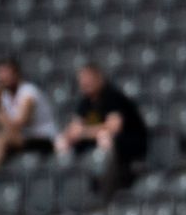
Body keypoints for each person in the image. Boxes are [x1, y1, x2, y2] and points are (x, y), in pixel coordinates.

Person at [0, 57, 58, 198]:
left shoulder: (28, 93)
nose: (2, 78)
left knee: (2, 139)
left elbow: (18, 125)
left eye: (5, 73)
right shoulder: (2, 96)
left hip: (40, 138)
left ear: (16, 73)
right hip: (17, 138)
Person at [55, 63, 149, 202]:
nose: (84, 83)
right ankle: (69, 190)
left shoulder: (113, 96)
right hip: (95, 146)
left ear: (99, 78)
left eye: (88, 79)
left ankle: (104, 192)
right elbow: (74, 129)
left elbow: (113, 128)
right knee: (61, 141)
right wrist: (74, 135)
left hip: (128, 145)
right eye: (82, 80)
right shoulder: (85, 102)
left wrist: (84, 132)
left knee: (104, 137)